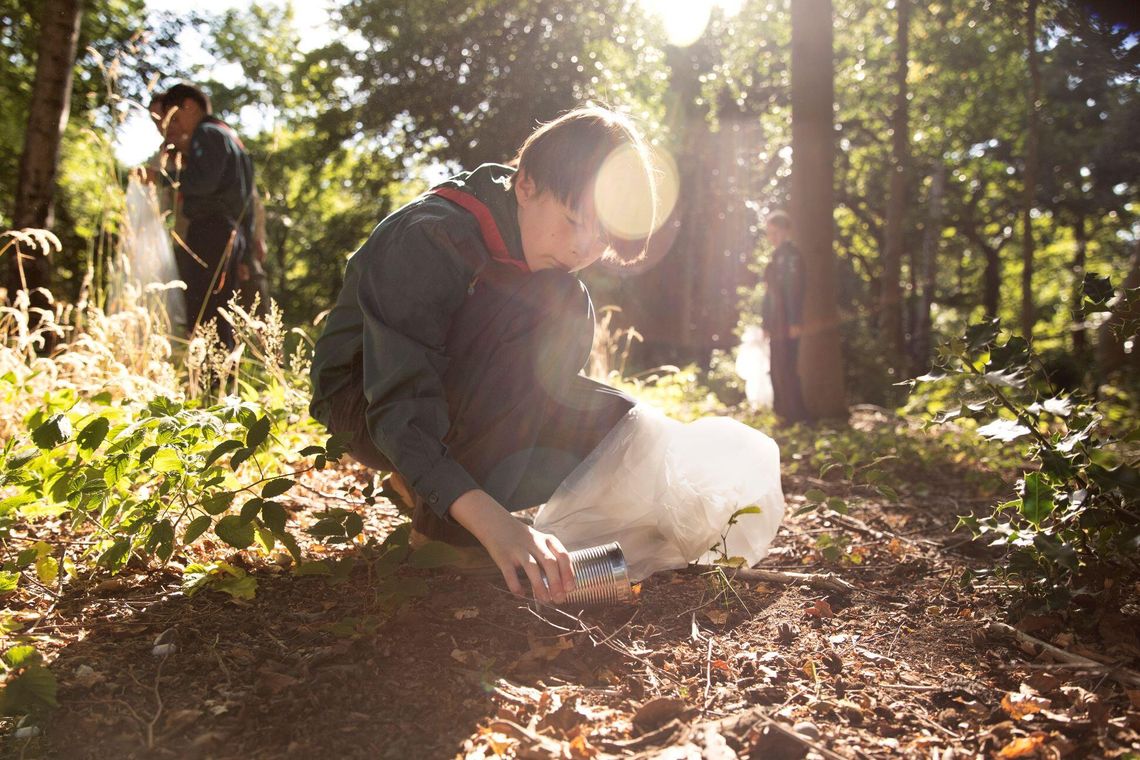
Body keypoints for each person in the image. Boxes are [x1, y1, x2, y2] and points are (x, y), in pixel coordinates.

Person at [309, 107, 658, 604]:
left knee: (621, 426)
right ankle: (446, 529)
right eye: (575, 220)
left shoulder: (544, 261)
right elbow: (398, 401)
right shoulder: (430, 237)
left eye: (601, 237)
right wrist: (496, 525)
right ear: (526, 185)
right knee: (553, 303)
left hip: (453, 394)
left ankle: (437, 487)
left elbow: (536, 398)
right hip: (365, 398)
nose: (583, 248)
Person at [153, 83, 257, 347]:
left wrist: (162, 178)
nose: (172, 129)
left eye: (174, 119)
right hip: (231, 233)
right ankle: (220, 378)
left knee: (204, 311)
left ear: (189, 106)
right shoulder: (229, 136)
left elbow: (203, 182)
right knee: (221, 309)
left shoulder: (206, 133)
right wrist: (245, 253)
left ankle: (209, 380)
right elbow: (248, 201)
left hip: (211, 232)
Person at [761, 210, 809, 423]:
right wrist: (766, 322)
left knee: (787, 367)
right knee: (777, 367)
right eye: (769, 233)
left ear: (786, 231)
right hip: (775, 321)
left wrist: (794, 320)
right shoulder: (776, 257)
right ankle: (783, 413)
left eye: (776, 232)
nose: (772, 237)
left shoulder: (791, 256)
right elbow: (769, 293)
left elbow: (794, 289)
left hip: (786, 321)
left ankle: (795, 416)